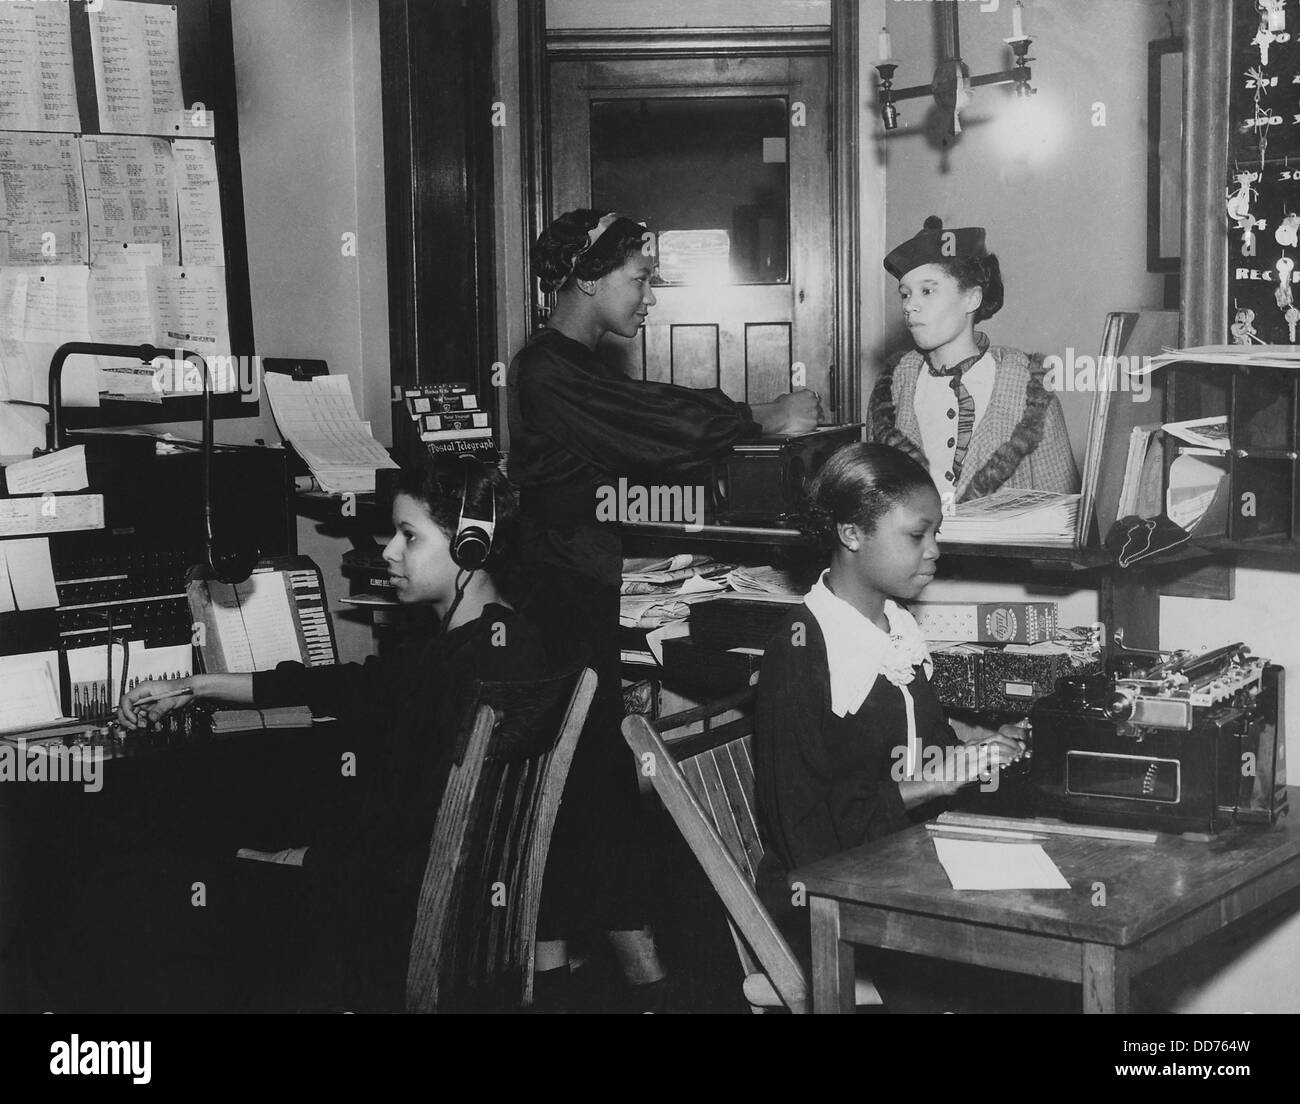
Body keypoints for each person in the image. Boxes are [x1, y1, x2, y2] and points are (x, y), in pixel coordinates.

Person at [508, 208, 820, 1010]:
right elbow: (649, 427)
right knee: (594, 784)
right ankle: (647, 985)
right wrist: (755, 418)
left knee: (580, 783)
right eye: (640, 278)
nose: (650, 294)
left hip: (580, 588)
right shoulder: (546, 368)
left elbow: (630, 453)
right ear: (585, 276)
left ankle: (554, 974)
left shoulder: (567, 366)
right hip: (554, 602)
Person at [110, 455, 549, 1011]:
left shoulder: (471, 667)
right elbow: (349, 687)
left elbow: (412, 836)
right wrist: (195, 685)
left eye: (408, 536)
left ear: (470, 546)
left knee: (168, 882)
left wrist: (308, 862)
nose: (389, 551)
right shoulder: (500, 643)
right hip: (455, 912)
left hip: (391, 916)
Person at [753, 442, 1040, 1012]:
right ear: (853, 535)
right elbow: (806, 834)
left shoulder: (896, 630)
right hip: (830, 903)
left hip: (900, 868)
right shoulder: (801, 651)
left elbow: (921, 751)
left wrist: (980, 751)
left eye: (936, 534)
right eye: (917, 535)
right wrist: (932, 781)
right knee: (1020, 972)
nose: (934, 551)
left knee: (1041, 925)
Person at [868, 216, 1079, 503]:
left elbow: (1062, 510)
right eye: (905, 294)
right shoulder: (893, 390)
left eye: (927, 291)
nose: (909, 305)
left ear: (972, 299)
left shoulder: (1026, 388)